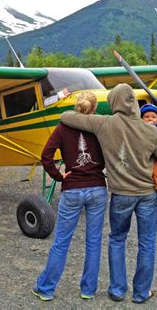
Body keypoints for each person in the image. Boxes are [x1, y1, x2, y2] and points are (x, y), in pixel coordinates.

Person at [60, 83, 157, 304]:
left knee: (117, 239)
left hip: (121, 195)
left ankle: (117, 290)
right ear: (133, 102)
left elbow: (67, 117)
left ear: (113, 102)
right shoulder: (150, 129)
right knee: (147, 242)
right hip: (146, 194)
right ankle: (142, 293)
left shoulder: (104, 123)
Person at [32, 91, 108, 301]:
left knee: (62, 241)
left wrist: (58, 176)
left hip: (72, 188)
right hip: (97, 188)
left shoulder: (63, 127)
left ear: (77, 107)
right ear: (93, 109)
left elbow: (46, 156)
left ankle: (46, 289)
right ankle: (88, 290)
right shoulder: (100, 126)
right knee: (93, 241)